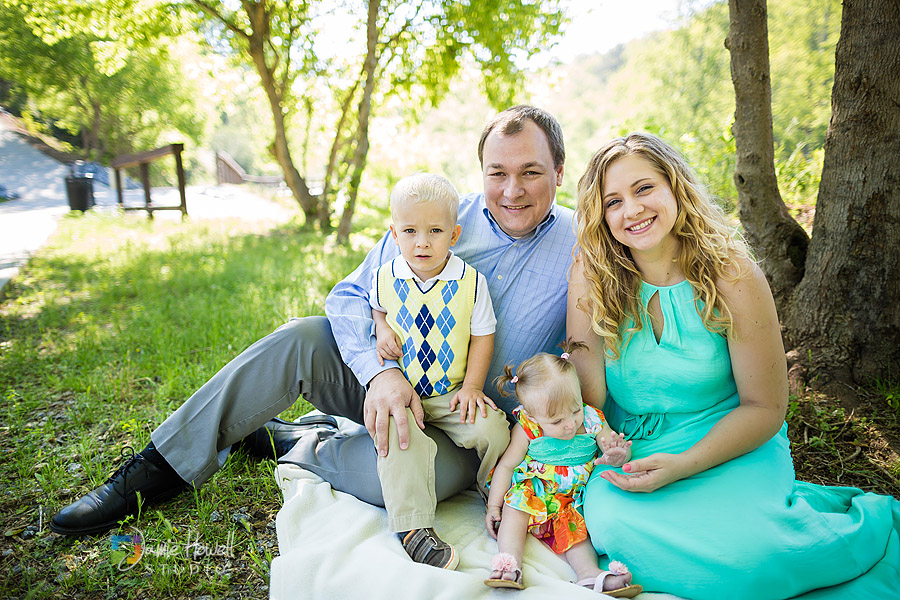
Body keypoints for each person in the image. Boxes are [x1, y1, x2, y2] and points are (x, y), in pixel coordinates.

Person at [50, 105, 576, 570]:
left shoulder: (583, 245)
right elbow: (348, 295)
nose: (512, 190)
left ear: (558, 169)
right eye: (497, 173)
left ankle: (297, 441)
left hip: (465, 417)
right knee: (302, 336)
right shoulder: (436, 215)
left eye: (531, 172)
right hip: (392, 375)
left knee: (394, 483)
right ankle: (156, 468)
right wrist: (381, 373)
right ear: (480, 172)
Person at [568, 132, 900, 599]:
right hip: (633, 445)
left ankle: (854, 527)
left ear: (675, 188)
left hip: (731, 437)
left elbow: (765, 407)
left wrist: (684, 464)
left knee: (753, 561)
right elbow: (589, 399)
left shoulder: (732, 272)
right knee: (616, 527)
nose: (632, 210)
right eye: (613, 201)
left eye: (644, 189)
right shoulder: (592, 273)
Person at [368, 172, 510, 569]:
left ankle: (497, 491)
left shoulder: (470, 282)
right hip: (405, 391)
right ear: (394, 233)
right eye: (410, 231)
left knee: (493, 428)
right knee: (398, 437)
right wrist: (381, 331)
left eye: (434, 230)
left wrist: (473, 387)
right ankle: (413, 528)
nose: (422, 242)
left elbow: (483, 335)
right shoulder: (386, 276)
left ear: (455, 233)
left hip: (450, 393)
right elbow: (378, 309)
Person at [482, 339, 642, 597]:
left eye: (575, 410)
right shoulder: (527, 427)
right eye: (557, 420)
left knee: (576, 529)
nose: (570, 424)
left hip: (571, 499)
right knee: (515, 507)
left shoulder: (591, 419)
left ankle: (589, 574)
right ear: (534, 417)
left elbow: (613, 447)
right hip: (535, 490)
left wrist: (619, 454)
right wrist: (493, 506)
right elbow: (507, 465)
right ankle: (509, 563)